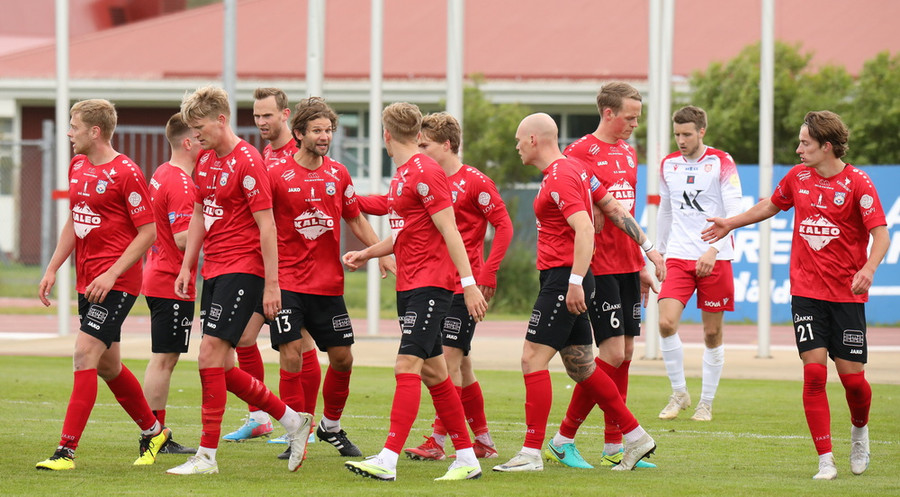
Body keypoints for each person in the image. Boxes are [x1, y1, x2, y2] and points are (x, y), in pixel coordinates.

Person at [702, 110, 888, 480]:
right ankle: (825, 459)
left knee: (853, 382)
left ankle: (859, 432)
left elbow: (880, 234)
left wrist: (868, 269)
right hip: (806, 293)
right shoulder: (797, 177)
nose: (799, 149)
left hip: (847, 296)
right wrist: (730, 223)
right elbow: (770, 205)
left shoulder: (858, 183)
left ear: (827, 146)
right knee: (814, 373)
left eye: (805, 143)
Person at [492, 113, 656, 473]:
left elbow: (585, 228)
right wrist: (649, 248)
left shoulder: (561, 175)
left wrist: (575, 281)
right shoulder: (575, 169)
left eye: (519, 139)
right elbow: (612, 207)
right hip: (570, 277)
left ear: (534, 139)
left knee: (531, 359)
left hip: (564, 279)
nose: (517, 146)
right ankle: (635, 437)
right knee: (581, 366)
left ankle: (531, 453)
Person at [165, 86, 312, 475]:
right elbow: (200, 214)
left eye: (200, 127)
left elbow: (268, 227)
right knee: (223, 365)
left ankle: (206, 457)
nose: (196, 135)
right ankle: (293, 421)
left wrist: (272, 284)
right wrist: (187, 267)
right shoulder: (205, 159)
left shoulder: (248, 161)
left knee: (209, 355)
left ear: (221, 119)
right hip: (214, 269)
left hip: (243, 269)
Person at [342, 102, 488, 481]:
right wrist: (368, 254)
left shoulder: (425, 171)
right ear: (417, 134)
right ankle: (467, 458)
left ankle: (387, 459)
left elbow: (450, 229)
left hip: (431, 285)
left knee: (406, 366)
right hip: (409, 284)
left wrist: (469, 284)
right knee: (436, 374)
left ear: (386, 135)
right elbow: (404, 232)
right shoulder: (404, 174)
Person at [36, 98, 170, 470]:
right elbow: (75, 220)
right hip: (87, 281)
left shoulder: (126, 172)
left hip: (117, 282)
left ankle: (65, 451)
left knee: (84, 354)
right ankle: (154, 432)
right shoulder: (78, 165)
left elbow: (148, 232)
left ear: (95, 131)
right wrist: (52, 268)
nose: (69, 133)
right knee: (108, 366)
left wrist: (111, 273)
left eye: (74, 126)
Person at [544, 82, 665, 469]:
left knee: (625, 354)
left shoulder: (628, 152)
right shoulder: (578, 153)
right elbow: (581, 209)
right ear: (608, 113)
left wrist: (641, 262)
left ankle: (615, 447)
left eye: (638, 118)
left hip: (628, 265)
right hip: (601, 266)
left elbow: (623, 210)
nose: (634, 124)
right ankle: (564, 438)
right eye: (630, 117)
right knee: (610, 354)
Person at [264, 96, 392, 460]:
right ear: (299, 133)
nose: (325, 137)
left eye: (329, 130)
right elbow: (262, 225)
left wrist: (380, 253)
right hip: (287, 282)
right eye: (317, 130)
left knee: (343, 358)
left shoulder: (338, 173)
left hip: (327, 284)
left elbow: (355, 218)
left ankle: (330, 426)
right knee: (291, 355)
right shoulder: (275, 174)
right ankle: (295, 435)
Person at [224, 87, 323, 447]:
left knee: (300, 344)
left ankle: (304, 423)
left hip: (292, 270)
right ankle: (259, 418)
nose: (261, 122)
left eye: (267, 115)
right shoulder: (265, 154)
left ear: (285, 115)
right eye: (256, 116)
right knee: (244, 339)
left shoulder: (300, 155)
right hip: (264, 264)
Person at [654, 105, 743, 422]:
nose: (681, 140)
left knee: (711, 333)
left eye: (687, 134)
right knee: (666, 323)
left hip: (714, 258)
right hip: (678, 256)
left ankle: (706, 402)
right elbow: (666, 210)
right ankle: (679, 392)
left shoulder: (721, 162)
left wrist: (714, 250)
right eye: (677, 134)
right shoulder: (668, 164)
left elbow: (735, 211)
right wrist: (659, 252)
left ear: (702, 131)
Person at [140, 112, 203, 455]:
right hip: (170, 280)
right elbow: (181, 238)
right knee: (164, 359)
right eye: (200, 136)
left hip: (161, 275)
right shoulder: (180, 182)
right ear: (187, 142)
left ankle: (155, 432)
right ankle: (154, 435)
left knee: (164, 358)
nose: (205, 142)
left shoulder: (163, 172)